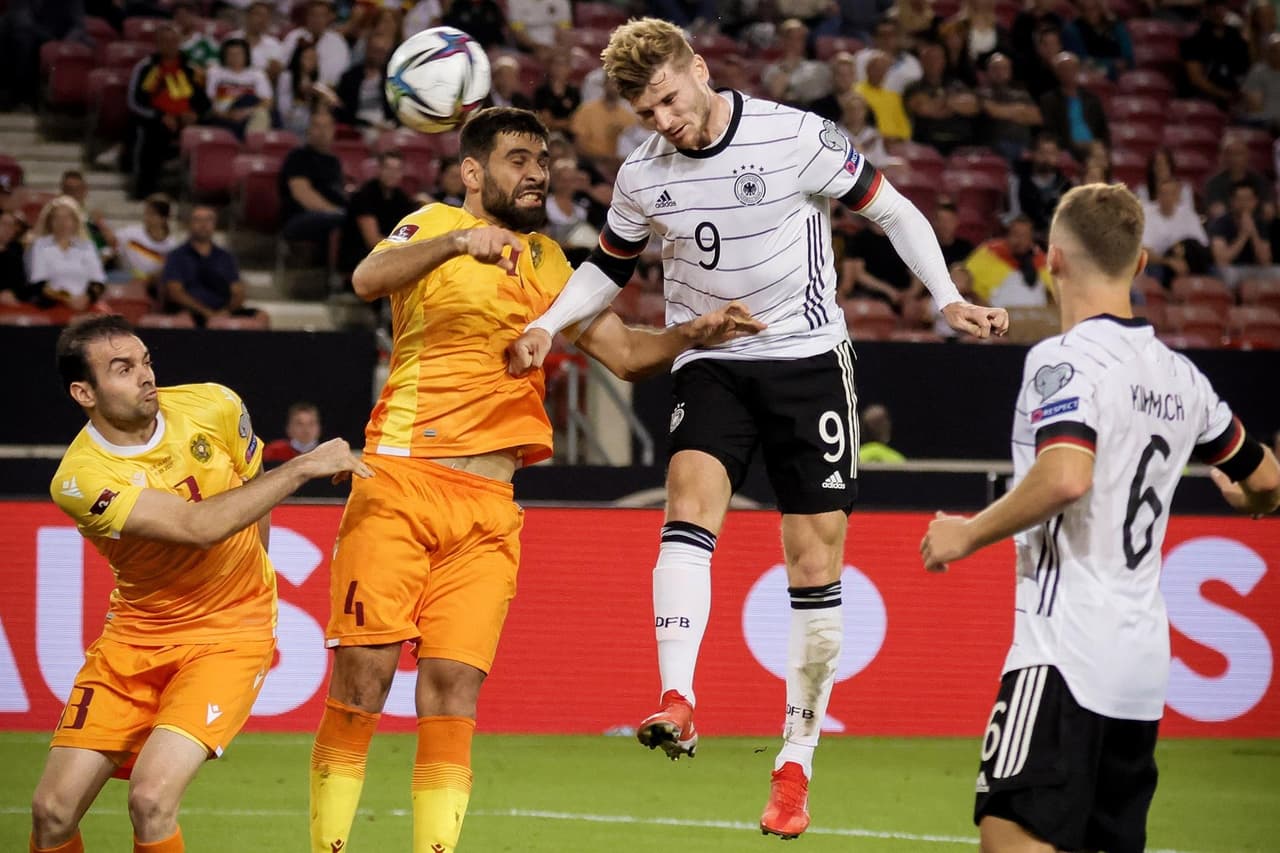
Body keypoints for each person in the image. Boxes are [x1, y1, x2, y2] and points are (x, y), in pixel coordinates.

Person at [504, 18, 1007, 840]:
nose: (663, 120)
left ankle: (795, 762)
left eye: (668, 98)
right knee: (688, 502)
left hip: (808, 361)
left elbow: (894, 210)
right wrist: (549, 326)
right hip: (713, 359)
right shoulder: (641, 175)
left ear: (698, 69)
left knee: (813, 556)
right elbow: (607, 267)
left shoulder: (795, 136)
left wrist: (947, 296)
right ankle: (678, 696)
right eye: (645, 111)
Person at [308, 106, 764, 853]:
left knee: (454, 691)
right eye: (519, 158)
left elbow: (621, 353)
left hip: (489, 504)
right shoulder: (428, 225)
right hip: (401, 480)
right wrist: (458, 241)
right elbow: (365, 278)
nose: (537, 172)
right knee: (363, 678)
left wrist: (692, 332)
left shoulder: (553, 262)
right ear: (473, 172)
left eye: (543, 159)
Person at [920, 182, 1280, 853]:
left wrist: (966, 532)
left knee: (1010, 835)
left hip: (1063, 650)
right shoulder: (1183, 379)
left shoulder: (1062, 359)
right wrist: (1252, 501)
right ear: (1141, 264)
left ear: (1052, 259)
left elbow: (1065, 475)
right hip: (1141, 669)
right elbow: (1265, 477)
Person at [30, 314, 371, 853]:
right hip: (135, 638)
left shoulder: (213, 404)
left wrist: (249, 586)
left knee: (150, 800)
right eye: (122, 368)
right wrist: (305, 467)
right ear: (84, 392)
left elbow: (252, 487)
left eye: (145, 360)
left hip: (229, 636)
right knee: (51, 812)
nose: (145, 376)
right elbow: (198, 528)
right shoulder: (80, 479)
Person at [127, 24, 209, 199]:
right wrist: (161, 116)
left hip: (187, 119)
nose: (170, 45)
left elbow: (204, 100)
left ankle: (201, 194)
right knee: (151, 134)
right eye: (165, 41)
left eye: (173, 41)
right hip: (156, 119)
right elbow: (135, 101)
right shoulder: (146, 67)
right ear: (157, 43)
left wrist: (195, 113)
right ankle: (144, 190)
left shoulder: (191, 68)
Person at [161, 206, 264, 325]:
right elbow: (175, 292)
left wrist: (225, 312)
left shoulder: (226, 257)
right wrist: (205, 312)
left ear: (215, 224)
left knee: (261, 317)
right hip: (190, 311)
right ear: (189, 224)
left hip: (222, 310)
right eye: (198, 220)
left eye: (208, 220)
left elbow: (238, 292)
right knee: (184, 321)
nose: (203, 224)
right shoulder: (176, 256)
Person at [339, 150, 418, 275]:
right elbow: (372, 240)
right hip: (363, 256)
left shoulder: (402, 198)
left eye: (397, 170)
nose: (392, 174)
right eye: (388, 168)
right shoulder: (364, 196)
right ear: (379, 170)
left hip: (392, 251)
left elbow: (412, 232)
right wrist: (407, 249)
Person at [280, 107, 347, 245]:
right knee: (345, 219)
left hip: (333, 215)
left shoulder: (334, 161)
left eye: (327, 127)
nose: (322, 132)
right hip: (300, 217)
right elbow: (302, 194)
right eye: (317, 126)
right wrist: (335, 211)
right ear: (308, 129)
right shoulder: (298, 157)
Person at [27, 196, 106, 312]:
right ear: (50, 222)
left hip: (85, 304)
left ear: (76, 221)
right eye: (57, 218)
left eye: (67, 217)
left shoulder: (87, 246)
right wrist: (68, 299)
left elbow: (98, 281)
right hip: (53, 305)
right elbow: (39, 283)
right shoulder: (40, 246)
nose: (62, 223)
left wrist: (86, 298)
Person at [903, 41, 980, 155]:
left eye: (937, 58)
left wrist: (941, 102)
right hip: (927, 143)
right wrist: (953, 103)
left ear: (944, 61)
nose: (933, 63)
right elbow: (924, 108)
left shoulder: (956, 84)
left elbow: (973, 106)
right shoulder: (914, 88)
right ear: (922, 62)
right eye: (929, 59)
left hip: (962, 143)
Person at [965, 216, 1054, 308]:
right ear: (1007, 235)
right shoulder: (988, 253)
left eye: (1024, 236)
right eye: (1015, 234)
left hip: (1033, 318)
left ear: (1031, 239)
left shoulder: (1041, 261)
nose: (1019, 240)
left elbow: (1056, 292)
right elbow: (965, 280)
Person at [1180, 0, 1251, 111]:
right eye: (1214, 7)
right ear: (1206, 10)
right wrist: (1223, 94)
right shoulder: (1195, 40)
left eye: (1222, 6)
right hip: (1204, 99)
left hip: (1235, 97)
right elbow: (1195, 78)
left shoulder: (1236, 38)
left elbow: (1246, 69)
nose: (1218, 11)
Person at [1038, 51, 1109, 161]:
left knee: (1099, 153)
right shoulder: (1049, 100)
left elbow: (1102, 129)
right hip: (1067, 147)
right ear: (1057, 73)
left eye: (1072, 68)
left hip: (1092, 146)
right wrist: (1069, 145)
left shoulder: (1091, 99)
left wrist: (1101, 145)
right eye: (1064, 69)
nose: (1068, 72)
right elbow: (1050, 130)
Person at [1142, 175, 1212, 285]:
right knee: (1154, 270)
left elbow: (1202, 246)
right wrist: (1169, 261)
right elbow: (1143, 252)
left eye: (1172, 193)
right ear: (1157, 195)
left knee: (1212, 269)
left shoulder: (1188, 215)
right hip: (1159, 263)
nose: (1168, 198)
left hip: (1188, 262)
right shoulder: (1146, 213)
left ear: (1178, 195)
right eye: (1164, 193)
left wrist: (1183, 261)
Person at [1209, 181, 1280, 287]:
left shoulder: (1260, 223)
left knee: (1277, 272)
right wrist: (1243, 235)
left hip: (1253, 269)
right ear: (1231, 201)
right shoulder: (1220, 223)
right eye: (1239, 199)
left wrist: (1253, 233)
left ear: (1255, 201)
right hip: (1230, 269)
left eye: (1248, 199)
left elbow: (1265, 261)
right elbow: (1222, 260)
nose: (1244, 203)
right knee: (1228, 274)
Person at [977, 52, 1042, 163]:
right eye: (995, 68)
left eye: (1004, 68)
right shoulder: (981, 93)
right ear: (987, 71)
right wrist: (1020, 111)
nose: (1000, 72)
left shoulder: (1021, 93)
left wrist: (1003, 111)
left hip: (1024, 145)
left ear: (1010, 71)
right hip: (996, 147)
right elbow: (993, 111)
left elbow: (1037, 117)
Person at [205, 37, 274, 139]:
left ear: (246, 55)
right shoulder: (215, 72)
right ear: (224, 55)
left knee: (258, 109)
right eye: (230, 54)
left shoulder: (258, 74)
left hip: (250, 113)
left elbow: (268, 102)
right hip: (223, 115)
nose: (234, 58)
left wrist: (246, 112)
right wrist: (227, 115)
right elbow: (211, 100)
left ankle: (253, 143)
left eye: (238, 54)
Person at [115, 193, 180, 297]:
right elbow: (111, 241)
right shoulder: (129, 234)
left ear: (163, 218)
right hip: (128, 281)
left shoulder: (171, 246)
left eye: (151, 214)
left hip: (153, 287)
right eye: (146, 213)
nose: (146, 217)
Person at [568, 76, 639, 167]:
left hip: (620, 166)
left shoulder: (629, 117)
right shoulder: (586, 110)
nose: (615, 87)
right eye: (612, 83)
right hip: (591, 163)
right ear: (604, 84)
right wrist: (602, 159)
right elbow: (578, 146)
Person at [762, 19, 832, 109]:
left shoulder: (818, 68)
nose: (794, 43)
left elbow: (818, 93)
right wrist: (788, 65)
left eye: (799, 39)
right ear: (782, 41)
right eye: (790, 38)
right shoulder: (772, 70)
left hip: (815, 111)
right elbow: (776, 93)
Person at [1012, 134, 1073, 237]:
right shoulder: (1017, 181)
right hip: (1027, 236)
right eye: (1042, 153)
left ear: (1058, 156)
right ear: (1033, 154)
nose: (1046, 158)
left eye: (1051, 153)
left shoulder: (1066, 184)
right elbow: (1015, 214)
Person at [335, 30, 396, 132]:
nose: (378, 55)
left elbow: (398, 110)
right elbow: (343, 112)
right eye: (375, 51)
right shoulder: (350, 77)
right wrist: (370, 124)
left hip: (387, 125)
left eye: (382, 52)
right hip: (359, 126)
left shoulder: (392, 78)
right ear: (367, 50)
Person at [281, 0, 351, 88]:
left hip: (325, 91)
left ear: (328, 18)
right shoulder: (294, 36)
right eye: (313, 15)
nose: (317, 19)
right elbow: (284, 67)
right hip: (293, 87)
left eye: (321, 16)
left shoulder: (338, 42)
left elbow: (337, 75)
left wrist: (314, 68)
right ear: (307, 17)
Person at [60, 170, 119, 273]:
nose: (73, 194)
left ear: (85, 190)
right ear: (63, 191)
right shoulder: (54, 216)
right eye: (69, 190)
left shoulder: (94, 217)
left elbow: (111, 243)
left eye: (77, 189)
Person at [1203, 137, 1274, 219]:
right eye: (1229, 153)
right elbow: (1216, 211)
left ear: (1247, 155)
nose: (1234, 158)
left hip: (1257, 225)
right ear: (1223, 157)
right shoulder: (1213, 184)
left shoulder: (1260, 182)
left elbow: (1268, 209)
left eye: (1239, 154)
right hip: (1226, 227)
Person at [1061, 0, 1133, 79]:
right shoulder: (1072, 30)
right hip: (1093, 77)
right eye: (1087, 9)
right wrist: (1111, 65)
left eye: (1094, 8)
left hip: (1123, 75)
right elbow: (1082, 61)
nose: (1091, 11)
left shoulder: (1115, 26)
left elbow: (1128, 56)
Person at [0, 209, 35, 305]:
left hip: (14, 304)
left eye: (12, 226)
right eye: (4, 224)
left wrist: (13, 294)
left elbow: (23, 283)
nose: (8, 229)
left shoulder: (17, 251)